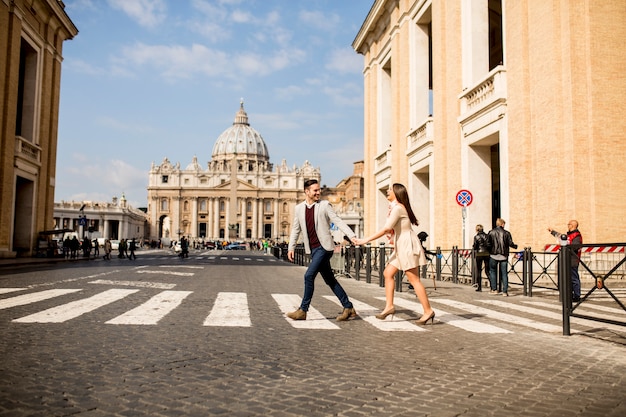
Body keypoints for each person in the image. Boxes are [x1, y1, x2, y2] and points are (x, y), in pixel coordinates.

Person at [354, 183, 435, 325]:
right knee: (388, 273)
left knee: (414, 279)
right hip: (401, 245)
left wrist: (365, 240)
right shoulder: (396, 208)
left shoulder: (398, 209)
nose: (387, 191)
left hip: (406, 245)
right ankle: (389, 306)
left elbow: (386, 229)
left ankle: (428, 311)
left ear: (396, 193)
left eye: (390, 189)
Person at [286, 179, 358, 322]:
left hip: (324, 248)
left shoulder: (324, 205)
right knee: (330, 280)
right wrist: (291, 247)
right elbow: (296, 229)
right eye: (315, 190)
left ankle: (303, 310)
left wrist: (351, 235)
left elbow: (337, 220)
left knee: (308, 276)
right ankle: (348, 307)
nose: (319, 192)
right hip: (312, 249)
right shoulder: (299, 209)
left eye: (319, 190)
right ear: (307, 192)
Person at [548, 220, 583, 302]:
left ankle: (577, 295)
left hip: (573, 260)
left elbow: (575, 247)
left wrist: (566, 245)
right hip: (566, 260)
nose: (568, 225)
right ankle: (569, 294)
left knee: (574, 278)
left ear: (573, 225)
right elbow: (560, 236)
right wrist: (552, 231)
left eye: (569, 224)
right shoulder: (569, 235)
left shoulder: (577, 235)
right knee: (568, 279)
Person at [487, 218, 518, 296]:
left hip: (493, 255)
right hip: (504, 255)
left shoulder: (491, 232)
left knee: (493, 272)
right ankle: (505, 291)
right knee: (504, 273)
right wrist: (515, 246)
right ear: (502, 224)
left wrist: (490, 250)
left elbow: (488, 243)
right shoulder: (506, 233)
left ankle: (494, 289)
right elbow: (510, 243)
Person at [472, 224, 490, 292]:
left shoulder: (476, 237)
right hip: (487, 253)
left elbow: (475, 246)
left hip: (479, 254)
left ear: (477, 230)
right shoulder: (487, 236)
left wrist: (474, 247)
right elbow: (489, 244)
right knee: (487, 270)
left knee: (479, 270)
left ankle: (479, 287)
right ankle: (492, 286)